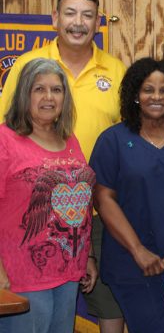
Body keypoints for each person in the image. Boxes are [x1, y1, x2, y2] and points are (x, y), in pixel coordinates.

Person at [0, 0, 127, 333]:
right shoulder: (26, 66)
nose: (78, 22)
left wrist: (85, 251)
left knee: (97, 306)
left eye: (87, 15)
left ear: (98, 23)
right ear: (55, 18)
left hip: (88, 223)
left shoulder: (115, 72)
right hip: (24, 241)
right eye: (70, 13)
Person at [90, 58, 164, 333]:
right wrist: (138, 250)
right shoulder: (113, 141)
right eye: (148, 89)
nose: (156, 96)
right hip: (131, 264)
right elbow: (103, 198)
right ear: (135, 94)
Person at [0, 58, 97, 332]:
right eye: (39, 89)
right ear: (23, 95)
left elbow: (81, 203)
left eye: (56, 90)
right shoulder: (5, 139)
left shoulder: (69, 140)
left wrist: (88, 255)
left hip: (67, 270)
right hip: (21, 275)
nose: (48, 97)